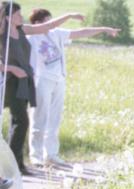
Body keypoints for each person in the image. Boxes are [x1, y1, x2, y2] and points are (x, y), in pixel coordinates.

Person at [26, 8, 119, 168]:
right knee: (39, 118)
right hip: (41, 80)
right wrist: (68, 15)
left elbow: (81, 33)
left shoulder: (56, 33)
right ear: (37, 23)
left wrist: (104, 29)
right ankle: (36, 156)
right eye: (48, 21)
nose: (52, 24)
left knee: (54, 120)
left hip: (59, 79)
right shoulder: (31, 37)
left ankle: (51, 155)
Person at [0, 3, 83, 174]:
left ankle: (16, 165)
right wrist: (12, 68)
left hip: (24, 82)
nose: (21, 17)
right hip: (10, 81)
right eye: (17, 14)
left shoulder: (22, 30)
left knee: (19, 122)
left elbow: (47, 26)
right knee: (21, 121)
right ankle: (13, 166)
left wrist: (69, 15)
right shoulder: (2, 34)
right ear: (8, 17)